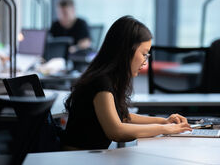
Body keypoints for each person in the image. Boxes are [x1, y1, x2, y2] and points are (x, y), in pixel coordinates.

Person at [62, 16, 192, 150]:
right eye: (144, 54)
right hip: (78, 160)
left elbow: (122, 118)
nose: (145, 61)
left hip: (87, 157)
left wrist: (164, 121)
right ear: (126, 51)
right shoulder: (101, 83)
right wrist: (164, 128)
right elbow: (117, 131)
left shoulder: (109, 78)